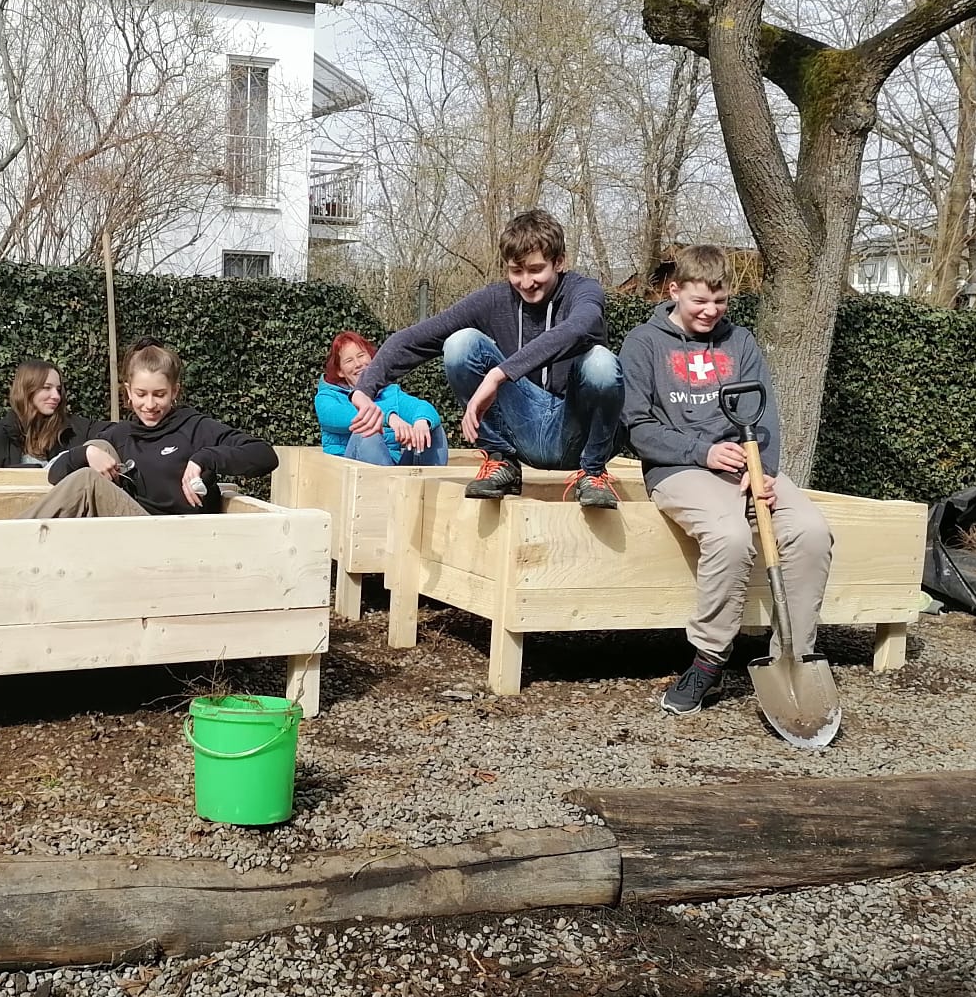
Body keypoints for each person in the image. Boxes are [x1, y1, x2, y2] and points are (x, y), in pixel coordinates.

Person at [620, 244, 832, 714]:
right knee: (730, 536)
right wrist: (704, 451)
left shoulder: (741, 342)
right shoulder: (643, 343)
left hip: (745, 468)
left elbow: (765, 416)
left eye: (720, 301)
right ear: (674, 291)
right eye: (699, 300)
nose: (710, 311)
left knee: (812, 532)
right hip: (680, 468)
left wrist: (764, 472)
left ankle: (794, 658)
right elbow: (637, 427)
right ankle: (710, 660)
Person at [347, 209, 624, 505]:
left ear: (559, 262)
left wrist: (498, 374)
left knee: (601, 363)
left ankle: (593, 473)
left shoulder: (584, 291)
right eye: (516, 271)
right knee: (461, 343)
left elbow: (580, 327)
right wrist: (364, 390)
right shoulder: (494, 300)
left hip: (575, 430)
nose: (526, 282)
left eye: (536, 270)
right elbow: (413, 338)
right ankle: (501, 460)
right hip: (523, 424)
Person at [30, 341, 278, 518]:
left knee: (87, 480)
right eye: (141, 394)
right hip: (134, 535)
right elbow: (56, 476)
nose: (149, 405)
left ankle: (12, 541)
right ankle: (16, 539)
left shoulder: (194, 427)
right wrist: (86, 453)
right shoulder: (121, 434)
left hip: (183, 538)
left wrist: (205, 458)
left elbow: (265, 455)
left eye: (159, 394)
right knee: (95, 455)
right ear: (128, 391)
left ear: (174, 391)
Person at [315, 331, 448, 467]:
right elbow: (343, 416)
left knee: (431, 425)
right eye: (349, 361)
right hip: (349, 471)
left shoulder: (389, 392)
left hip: (393, 468)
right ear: (340, 371)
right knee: (366, 431)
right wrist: (389, 417)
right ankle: (384, 481)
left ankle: (430, 480)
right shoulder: (327, 397)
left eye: (361, 356)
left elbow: (422, 407)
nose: (358, 364)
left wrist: (421, 421)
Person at [0, 358, 111, 469]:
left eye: (58, 389)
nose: (56, 396)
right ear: (26, 390)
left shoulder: (73, 429)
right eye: (47, 388)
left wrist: (90, 451)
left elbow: (117, 431)